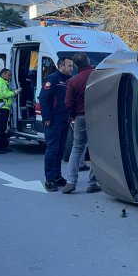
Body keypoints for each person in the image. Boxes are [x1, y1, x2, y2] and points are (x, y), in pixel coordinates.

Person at [62, 52, 101, 194]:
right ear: (88, 61)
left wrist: (72, 115)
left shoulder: (73, 81)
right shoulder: (97, 76)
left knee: (77, 148)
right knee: (96, 149)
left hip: (80, 117)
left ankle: (71, 182)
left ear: (76, 65)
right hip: (97, 116)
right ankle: (92, 183)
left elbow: (68, 103)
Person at [39, 57, 74, 192]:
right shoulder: (52, 79)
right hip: (53, 120)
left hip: (64, 119)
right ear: (61, 66)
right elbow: (44, 98)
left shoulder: (68, 80)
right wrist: (46, 117)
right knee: (52, 150)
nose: (71, 68)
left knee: (60, 150)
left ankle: (57, 176)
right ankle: (50, 179)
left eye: (72, 66)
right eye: (69, 66)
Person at [0, 68, 21, 154]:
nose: (10, 77)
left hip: (4, 107)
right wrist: (15, 92)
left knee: (3, 128)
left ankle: (2, 146)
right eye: (9, 75)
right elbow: (4, 94)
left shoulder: (3, 82)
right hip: (0, 108)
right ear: (3, 74)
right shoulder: (1, 83)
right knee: (0, 128)